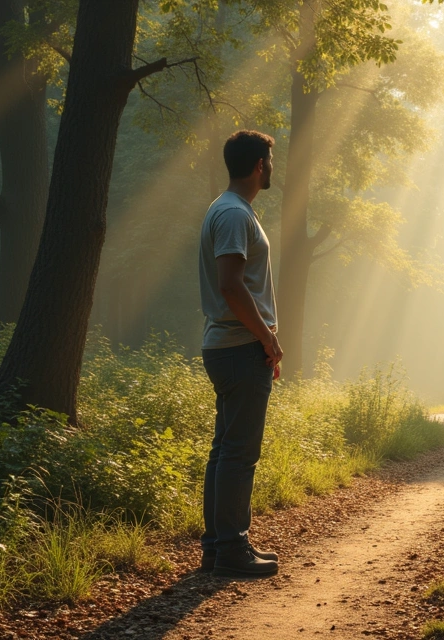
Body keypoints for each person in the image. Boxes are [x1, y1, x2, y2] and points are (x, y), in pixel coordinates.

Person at [197, 130, 284, 577]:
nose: (272, 167)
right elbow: (231, 286)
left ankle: (218, 547)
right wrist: (267, 339)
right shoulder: (233, 213)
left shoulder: (229, 208)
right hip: (239, 347)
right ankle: (231, 549)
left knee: (225, 450)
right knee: (239, 452)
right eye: (270, 160)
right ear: (258, 165)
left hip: (230, 346)